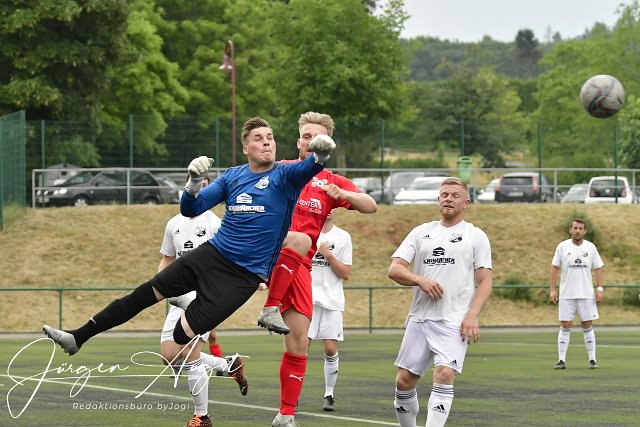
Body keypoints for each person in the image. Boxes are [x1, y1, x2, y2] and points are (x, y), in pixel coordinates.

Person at [43, 116, 335, 427]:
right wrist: (193, 182)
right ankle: (77, 337)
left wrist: (322, 152)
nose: (266, 141)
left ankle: (209, 335)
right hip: (211, 256)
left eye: (270, 136)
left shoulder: (286, 175)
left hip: (241, 279)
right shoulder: (232, 176)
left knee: (180, 339)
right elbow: (191, 209)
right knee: (143, 294)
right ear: (245, 148)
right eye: (258, 138)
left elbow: (313, 165)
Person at [256, 112, 378, 427]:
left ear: (328, 145)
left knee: (299, 343)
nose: (311, 142)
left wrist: (344, 194)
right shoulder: (280, 169)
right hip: (268, 252)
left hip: (300, 268)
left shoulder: (330, 181)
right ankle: (265, 300)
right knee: (293, 240)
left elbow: (370, 206)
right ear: (299, 141)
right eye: (307, 136)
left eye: (318, 138)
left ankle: (285, 415)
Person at [388, 177, 492, 427]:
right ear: (438, 200)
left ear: (466, 203)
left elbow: (485, 281)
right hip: (420, 318)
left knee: (444, 373)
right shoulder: (421, 232)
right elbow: (395, 269)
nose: (448, 199)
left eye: (455, 195)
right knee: (404, 381)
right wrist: (419, 280)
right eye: (444, 195)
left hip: (454, 320)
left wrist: (472, 315)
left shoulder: (475, 235)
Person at [158, 173, 249, 407]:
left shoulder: (216, 224)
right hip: (179, 297)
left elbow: (232, 259)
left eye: (206, 187)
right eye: (197, 184)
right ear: (188, 186)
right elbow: (168, 259)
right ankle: (228, 365)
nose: (201, 190)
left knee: (190, 352)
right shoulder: (173, 223)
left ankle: (201, 416)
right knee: (169, 356)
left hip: (204, 297)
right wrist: (159, 284)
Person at [307, 208, 352, 412]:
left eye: (333, 205)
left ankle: (329, 395)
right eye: (326, 205)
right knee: (301, 349)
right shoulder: (306, 233)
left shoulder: (343, 237)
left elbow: (346, 273)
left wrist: (329, 255)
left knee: (330, 349)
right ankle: (293, 396)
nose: (329, 209)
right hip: (307, 299)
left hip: (332, 300)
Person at [549, 218, 604, 370]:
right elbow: (554, 268)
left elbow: (598, 268)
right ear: (570, 230)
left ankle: (592, 359)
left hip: (586, 294)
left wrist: (600, 288)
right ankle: (561, 360)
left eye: (580, 228)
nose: (577, 231)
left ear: (585, 231)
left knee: (587, 324)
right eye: (575, 228)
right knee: (566, 324)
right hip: (567, 294)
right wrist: (553, 289)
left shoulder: (590, 247)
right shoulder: (562, 246)